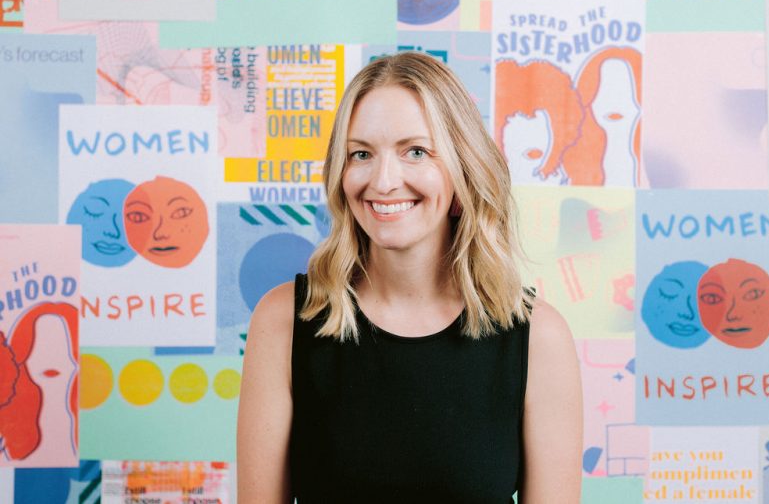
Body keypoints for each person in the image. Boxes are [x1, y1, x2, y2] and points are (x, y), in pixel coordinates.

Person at [237, 52, 582, 503]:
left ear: (463, 169)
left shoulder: (539, 337)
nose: (383, 181)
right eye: (361, 154)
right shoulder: (285, 320)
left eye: (415, 151)